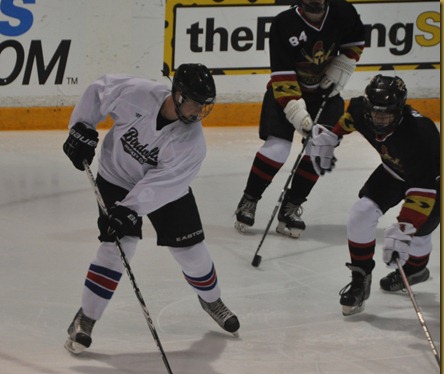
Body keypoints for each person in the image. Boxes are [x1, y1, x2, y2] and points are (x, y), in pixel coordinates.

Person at [62, 63, 240, 354]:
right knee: (118, 246)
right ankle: (86, 317)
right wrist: (82, 126)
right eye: (195, 103)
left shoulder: (192, 143)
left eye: (204, 105)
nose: (199, 111)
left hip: (166, 191)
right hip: (116, 176)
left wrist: (129, 209)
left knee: (192, 253)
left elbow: (161, 185)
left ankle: (212, 300)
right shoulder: (138, 94)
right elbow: (99, 90)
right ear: (178, 95)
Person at [304, 74, 440, 316]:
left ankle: (416, 270)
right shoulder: (360, 110)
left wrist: (404, 228)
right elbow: (349, 119)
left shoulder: (421, 134)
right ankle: (360, 280)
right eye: (375, 113)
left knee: (419, 236)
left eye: (386, 114)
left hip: (432, 184)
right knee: (361, 212)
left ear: (400, 110)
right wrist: (332, 136)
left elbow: (423, 191)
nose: (380, 120)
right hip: (394, 171)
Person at [234, 0, 365, 238]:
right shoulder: (284, 24)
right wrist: (296, 113)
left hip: (325, 93)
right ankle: (249, 199)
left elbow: (356, 38)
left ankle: (291, 206)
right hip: (286, 92)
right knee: (278, 149)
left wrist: (345, 62)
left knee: (320, 148)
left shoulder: (343, 12)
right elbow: (282, 75)